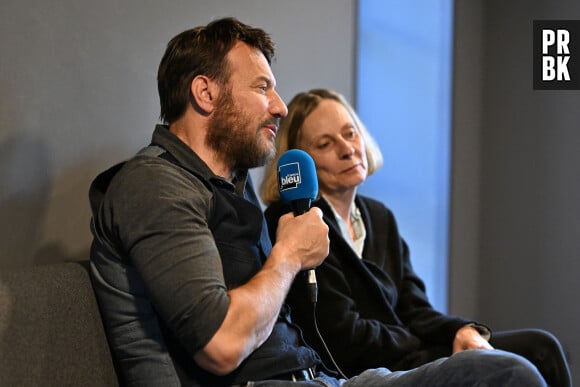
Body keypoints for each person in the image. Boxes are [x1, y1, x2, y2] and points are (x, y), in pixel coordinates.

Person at [89, 18, 548, 386]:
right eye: (261, 87)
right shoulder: (155, 184)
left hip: (318, 377)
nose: (279, 105)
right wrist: (289, 255)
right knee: (506, 375)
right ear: (205, 92)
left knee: (514, 362)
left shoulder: (230, 184)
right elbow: (221, 344)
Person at [261, 88, 572, 387]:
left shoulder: (380, 217)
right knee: (507, 368)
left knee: (540, 348)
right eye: (325, 144)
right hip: (362, 367)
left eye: (350, 133)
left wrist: (459, 331)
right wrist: (424, 343)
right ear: (301, 163)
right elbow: (344, 334)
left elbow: (415, 307)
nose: (347, 149)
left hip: (409, 351)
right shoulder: (297, 220)